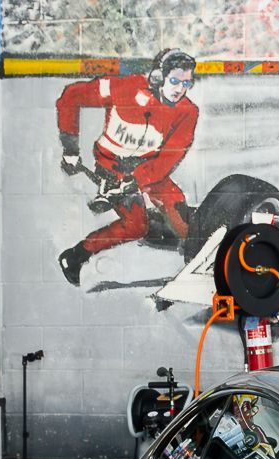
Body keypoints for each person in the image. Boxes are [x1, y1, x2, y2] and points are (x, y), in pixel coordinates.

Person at [55, 50, 200, 286]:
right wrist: (70, 149)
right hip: (112, 164)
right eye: (174, 81)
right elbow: (71, 96)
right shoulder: (124, 87)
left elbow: (170, 157)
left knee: (176, 205)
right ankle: (76, 255)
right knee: (135, 226)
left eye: (186, 83)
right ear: (157, 77)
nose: (180, 89)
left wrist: (137, 180)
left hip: (150, 168)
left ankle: (192, 258)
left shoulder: (188, 112)